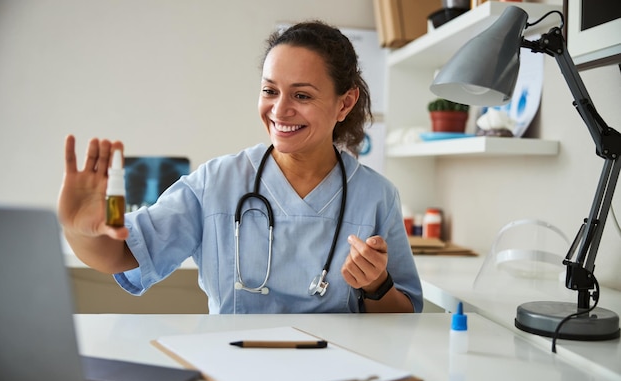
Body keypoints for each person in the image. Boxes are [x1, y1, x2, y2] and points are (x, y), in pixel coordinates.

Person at [58, 21, 423, 314]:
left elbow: (404, 313)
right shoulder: (217, 182)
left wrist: (377, 285)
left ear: (345, 103)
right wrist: (80, 230)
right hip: (234, 368)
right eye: (269, 91)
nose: (279, 111)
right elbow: (122, 254)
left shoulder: (376, 196)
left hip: (336, 380)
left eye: (302, 95)